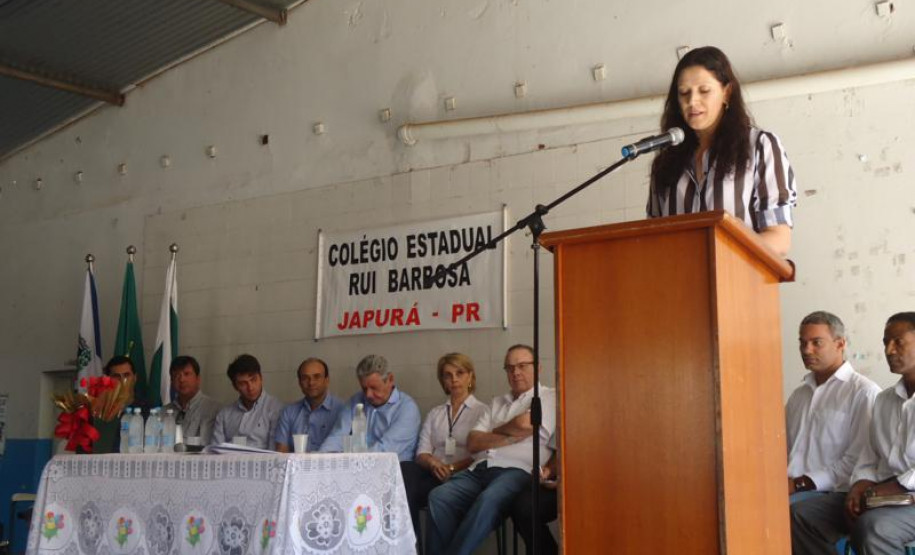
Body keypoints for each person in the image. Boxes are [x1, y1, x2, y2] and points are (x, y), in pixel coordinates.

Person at [646, 46, 798, 257]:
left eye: (704, 91)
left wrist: (718, 255)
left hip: (739, 284)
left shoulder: (760, 147)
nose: (692, 101)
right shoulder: (665, 161)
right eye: (684, 93)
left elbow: (779, 238)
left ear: (727, 92)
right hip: (679, 286)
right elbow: (653, 240)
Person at [791, 312, 915, 553]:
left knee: (874, 528)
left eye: (898, 342)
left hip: (902, 497)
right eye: (885, 342)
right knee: (800, 515)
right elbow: (869, 457)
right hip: (879, 494)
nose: (889, 350)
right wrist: (858, 487)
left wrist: (894, 487)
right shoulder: (885, 400)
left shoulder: (865, 391)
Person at [426, 344, 557, 555]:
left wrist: (495, 432)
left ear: (538, 368)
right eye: (509, 368)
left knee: (489, 500)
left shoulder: (549, 396)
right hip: (481, 467)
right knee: (439, 496)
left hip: (518, 470)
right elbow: (474, 442)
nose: (515, 372)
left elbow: (525, 425)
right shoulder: (497, 402)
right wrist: (509, 433)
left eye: (522, 366)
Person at [786, 311, 880, 499]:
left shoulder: (863, 392)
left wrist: (800, 484)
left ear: (840, 344)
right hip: (789, 487)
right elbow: (783, 449)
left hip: (833, 492)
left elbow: (858, 460)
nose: (806, 350)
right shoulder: (799, 395)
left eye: (816, 343)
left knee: (782, 512)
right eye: (802, 343)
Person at [401, 353, 488, 541]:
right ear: (443, 381)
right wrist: (433, 464)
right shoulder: (435, 413)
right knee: (405, 471)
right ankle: (410, 542)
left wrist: (452, 468)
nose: (454, 379)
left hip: (465, 476)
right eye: (447, 375)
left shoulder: (483, 411)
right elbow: (421, 452)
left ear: (470, 376)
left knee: (434, 495)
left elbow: (482, 455)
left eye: (460, 373)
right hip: (435, 474)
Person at [318, 354, 421, 461]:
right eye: (364, 388)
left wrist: (352, 463)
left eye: (374, 388)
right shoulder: (355, 401)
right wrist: (321, 459)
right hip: (357, 466)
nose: (368, 395)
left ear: (390, 379)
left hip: (396, 470)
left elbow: (385, 450)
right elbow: (337, 436)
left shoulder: (407, 408)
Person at [211, 354, 284, 449]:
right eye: (243, 383)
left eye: (253, 380)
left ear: (261, 378)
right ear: (235, 386)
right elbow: (215, 451)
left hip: (262, 462)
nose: (250, 387)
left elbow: (274, 454)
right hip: (229, 462)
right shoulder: (224, 415)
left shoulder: (275, 408)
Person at [275, 357, 344, 453]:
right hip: (297, 467)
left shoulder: (343, 411)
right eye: (305, 378)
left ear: (327, 380)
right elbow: (281, 453)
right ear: (299, 383)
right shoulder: (289, 412)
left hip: (332, 467)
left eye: (317, 377)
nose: (311, 382)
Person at [510, 432, 559, 555]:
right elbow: (559, 452)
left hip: (591, 485)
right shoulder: (568, 416)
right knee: (525, 507)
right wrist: (548, 471)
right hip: (559, 483)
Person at [163, 355, 221, 445]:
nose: (182, 379)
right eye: (176, 375)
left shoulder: (215, 410)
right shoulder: (163, 412)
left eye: (187, 374)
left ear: (198, 379)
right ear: (171, 381)